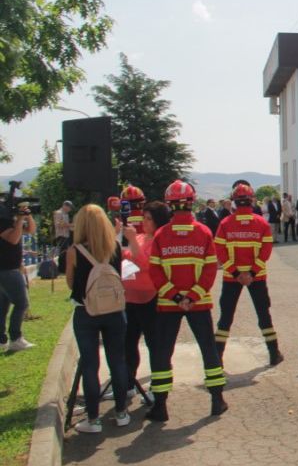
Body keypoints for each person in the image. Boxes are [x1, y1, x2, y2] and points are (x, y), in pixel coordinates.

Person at [147, 180, 227, 421]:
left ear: (169, 204)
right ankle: (217, 399)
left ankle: (160, 406)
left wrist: (176, 296)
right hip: (199, 303)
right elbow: (210, 270)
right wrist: (192, 296)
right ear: (191, 203)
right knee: (208, 349)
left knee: (163, 352)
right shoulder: (203, 232)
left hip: (169, 304)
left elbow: (155, 272)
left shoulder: (161, 234)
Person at [65, 205, 130, 432]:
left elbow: (71, 283)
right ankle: (122, 412)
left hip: (86, 312)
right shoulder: (115, 247)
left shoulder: (74, 251)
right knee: (118, 361)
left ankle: (93, 419)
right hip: (114, 312)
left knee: (90, 364)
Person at [213, 183, 283, 366]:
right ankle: (274, 353)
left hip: (231, 277)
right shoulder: (261, 223)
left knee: (226, 317)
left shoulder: (225, 223)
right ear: (251, 201)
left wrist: (236, 273)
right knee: (263, 315)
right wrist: (251, 272)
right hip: (257, 277)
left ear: (235, 202)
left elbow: (220, 251)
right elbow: (266, 251)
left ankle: (217, 357)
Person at [122, 200, 168, 403]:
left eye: (149, 219)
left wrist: (132, 242)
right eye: (143, 218)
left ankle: (156, 387)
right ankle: (128, 383)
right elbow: (126, 257)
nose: (144, 222)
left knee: (154, 344)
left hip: (151, 297)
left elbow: (145, 263)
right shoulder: (139, 237)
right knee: (128, 343)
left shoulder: (160, 239)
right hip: (130, 297)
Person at [0, 200, 35, 353]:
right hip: (7, 270)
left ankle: (2, 339)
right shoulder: (2, 223)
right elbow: (14, 239)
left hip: (10, 269)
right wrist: (20, 220)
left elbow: (31, 230)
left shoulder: (12, 221)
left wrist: (28, 215)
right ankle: (16, 338)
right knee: (22, 303)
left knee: (3, 307)